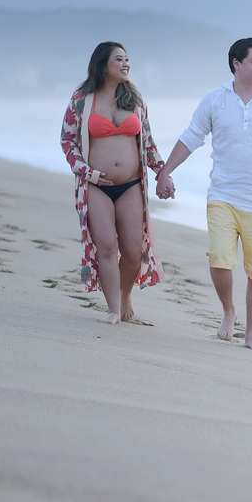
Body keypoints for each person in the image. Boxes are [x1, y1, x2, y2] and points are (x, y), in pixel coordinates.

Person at [155, 37, 252, 351]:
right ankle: (228, 310)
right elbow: (192, 136)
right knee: (221, 259)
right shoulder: (215, 100)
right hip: (223, 194)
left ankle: (251, 334)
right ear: (236, 64)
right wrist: (166, 171)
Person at [61, 41, 164, 324]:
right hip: (96, 186)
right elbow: (68, 142)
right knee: (106, 247)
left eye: (127, 59)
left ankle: (125, 294)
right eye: (119, 59)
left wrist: (162, 172)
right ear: (103, 65)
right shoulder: (82, 99)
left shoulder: (135, 100)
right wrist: (88, 173)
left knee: (132, 252)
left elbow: (149, 143)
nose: (126, 64)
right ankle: (113, 309)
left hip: (131, 185)